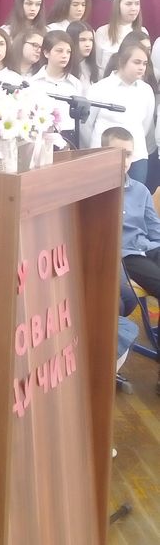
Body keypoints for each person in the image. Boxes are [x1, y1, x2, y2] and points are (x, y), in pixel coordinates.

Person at [101, 127, 160, 392]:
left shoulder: (141, 191)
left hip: (144, 250)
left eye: (128, 154)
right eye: (118, 153)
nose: (124, 160)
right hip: (121, 255)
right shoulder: (96, 190)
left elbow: (155, 230)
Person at [81, 42, 155, 184]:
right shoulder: (100, 88)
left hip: (136, 157)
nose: (141, 67)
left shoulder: (146, 90)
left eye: (145, 63)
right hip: (103, 156)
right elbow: (86, 125)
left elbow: (145, 125)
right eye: (137, 62)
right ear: (122, 61)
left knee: (134, 195)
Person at [30, 30, 82, 142]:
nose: (65, 56)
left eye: (68, 52)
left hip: (70, 138)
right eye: (59, 51)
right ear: (46, 53)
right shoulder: (33, 83)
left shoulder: (75, 84)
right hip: (42, 137)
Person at [94, 0, 147, 74]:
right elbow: (97, 66)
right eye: (128, 4)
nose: (134, 8)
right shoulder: (102, 32)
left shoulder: (143, 32)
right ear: (118, 6)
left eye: (137, 4)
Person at [66, 21, 99, 94]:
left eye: (91, 40)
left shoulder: (91, 67)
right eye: (82, 40)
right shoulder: (64, 66)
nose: (88, 44)